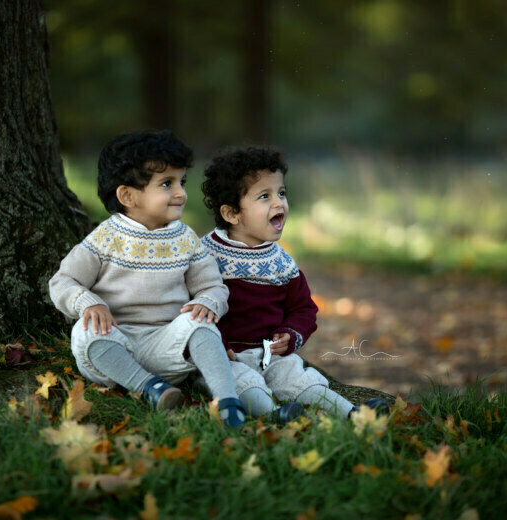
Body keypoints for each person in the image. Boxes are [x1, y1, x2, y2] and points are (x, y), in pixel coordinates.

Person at [49, 130, 246, 427]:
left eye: (182, 182)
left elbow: (211, 286)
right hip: (115, 344)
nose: (180, 193)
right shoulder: (106, 238)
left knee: (201, 325)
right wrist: (88, 303)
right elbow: (63, 281)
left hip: (167, 346)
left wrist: (208, 301)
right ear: (128, 196)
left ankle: (228, 403)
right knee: (84, 332)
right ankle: (151, 389)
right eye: (167, 184)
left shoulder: (185, 238)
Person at [200, 147, 388, 421]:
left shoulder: (281, 262)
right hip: (225, 356)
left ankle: (352, 414)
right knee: (242, 383)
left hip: (270, 354)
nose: (279, 203)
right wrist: (216, 343)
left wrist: (290, 333)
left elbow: (303, 308)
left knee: (301, 379)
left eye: (281, 193)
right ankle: (275, 416)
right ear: (231, 213)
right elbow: (193, 306)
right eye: (265, 196)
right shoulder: (206, 256)